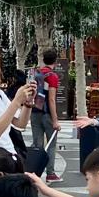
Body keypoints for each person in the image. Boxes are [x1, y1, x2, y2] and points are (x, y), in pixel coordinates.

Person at [30, 49, 62, 182]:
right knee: (51, 143)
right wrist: (55, 120)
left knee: (37, 144)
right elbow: (51, 99)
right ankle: (51, 173)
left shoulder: (36, 73)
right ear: (56, 60)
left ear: (43, 59)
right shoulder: (52, 76)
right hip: (47, 114)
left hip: (35, 112)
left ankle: (34, 173)